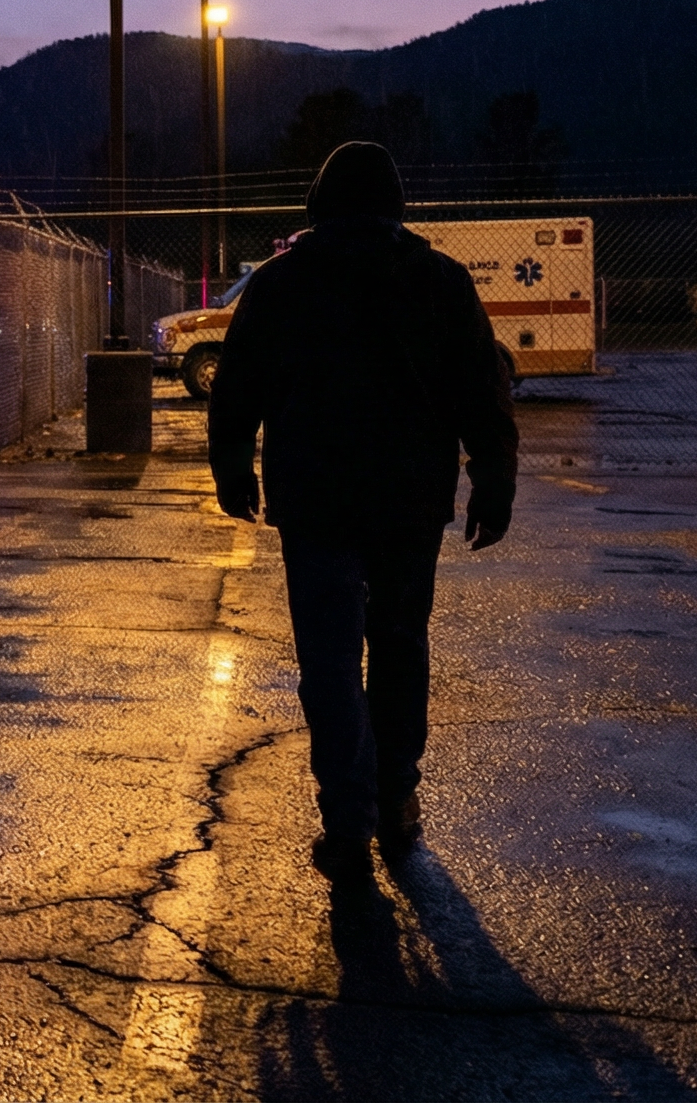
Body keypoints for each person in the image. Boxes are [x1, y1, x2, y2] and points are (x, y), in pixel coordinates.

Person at [208, 141, 517, 880]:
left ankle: (347, 819)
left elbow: (237, 384)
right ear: (396, 205)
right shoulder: (440, 281)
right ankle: (398, 799)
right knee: (402, 645)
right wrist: (494, 482)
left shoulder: (282, 283)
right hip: (410, 499)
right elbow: (484, 390)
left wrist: (232, 469)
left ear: (318, 205)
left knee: (330, 660)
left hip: (315, 498)